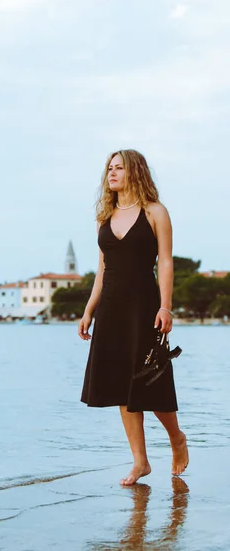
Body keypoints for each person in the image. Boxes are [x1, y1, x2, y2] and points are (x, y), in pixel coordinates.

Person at [78, 149, 189, 486]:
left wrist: (165, 305)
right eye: (109, 168)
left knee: (151, 381)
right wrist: (88, 310)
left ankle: (176, 438)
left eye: (119, 168)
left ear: (135, 172)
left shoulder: (155, 212)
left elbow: (165, 262)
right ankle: (140, 462)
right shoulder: (104, 217)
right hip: (111, 309)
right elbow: (102, 270)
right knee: (121, 387)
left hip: (144, 306)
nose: (111, 173)